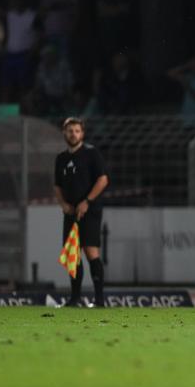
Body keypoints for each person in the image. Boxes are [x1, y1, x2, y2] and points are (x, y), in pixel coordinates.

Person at [53, 118, 109, 307]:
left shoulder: (91, 154)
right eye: (70, 131)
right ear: (64, 133)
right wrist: (63, 204)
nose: (73, 134)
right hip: (70, 212)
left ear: (82, 134)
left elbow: (102, 180)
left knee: (91, 251)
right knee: (72, 253)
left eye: (77, 131)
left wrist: (87, 201)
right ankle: (75, 298)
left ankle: (100, 300)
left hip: (89, 211)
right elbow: (57, 186)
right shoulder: (61, 158)